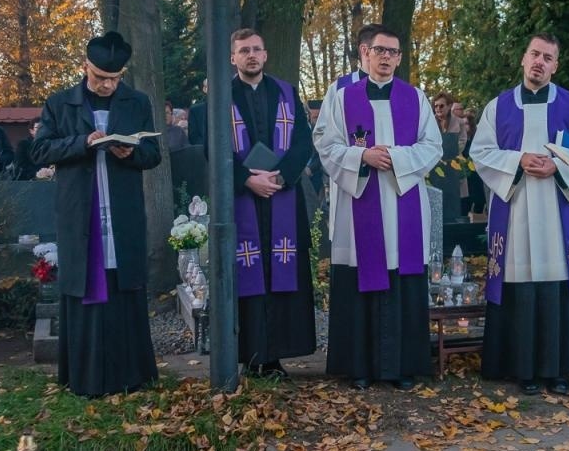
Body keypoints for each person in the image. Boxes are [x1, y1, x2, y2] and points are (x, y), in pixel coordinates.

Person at [29, 31, 162, 397]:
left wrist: (130, 153)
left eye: (114, 78)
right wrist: (82, 143)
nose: (107, 85)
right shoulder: (60, 104)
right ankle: (87, 377)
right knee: (88, 286)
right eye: (100, 77)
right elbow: (40, 151)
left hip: (122, 210)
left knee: (123, 287)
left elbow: (153, 154)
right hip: (81, 212)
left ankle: (131, 375)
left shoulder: (136, 102)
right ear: (85, 67)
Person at [470, 34, 569, 394]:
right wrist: (518, 161)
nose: (539, 62)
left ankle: (558, 370)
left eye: (548, 57)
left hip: (560, 212)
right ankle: (523, 370)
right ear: (523, 59)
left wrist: (559, 168)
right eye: (534, 54)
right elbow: (480, 152)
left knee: (556, 284)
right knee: (521, 284)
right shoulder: (497, 107)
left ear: (555, 66)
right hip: (515, 210)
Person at [315, 24, 441, 389]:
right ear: (365, 53)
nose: (386, 57)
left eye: (393, 52)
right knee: (361, 277)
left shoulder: (415, 98)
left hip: (403, 204)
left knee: (402, 275)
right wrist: (362, 156)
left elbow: (432, 146)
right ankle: (361, 368)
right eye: (380, 50)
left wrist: (396, 159)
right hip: (361, 205)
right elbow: (324, 142)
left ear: (400, 58)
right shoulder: (341, 97)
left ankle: (402, 368)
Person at [227, 28, 317, 378]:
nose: (251, 55)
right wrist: (246, 179)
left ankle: (275, 355)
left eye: (257, 49)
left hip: (282, 201)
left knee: (280, 276)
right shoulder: (221, 97)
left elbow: (302, 144)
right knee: (248, 276)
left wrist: (280, 179)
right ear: (233, 58)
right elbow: (212, 147)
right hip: (240, 202)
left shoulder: (287, 93)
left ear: (265, 55)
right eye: (244, 50)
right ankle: (249, 354)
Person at [429, 92, 467, 223]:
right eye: (436, 106)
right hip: (435, 166)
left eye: (441, 106)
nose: (438, 109)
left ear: (449, 106)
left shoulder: (460, 122)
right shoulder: (430, 122)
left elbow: (462, 140)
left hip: (453, 165)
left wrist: (452, 149)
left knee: (454, 201)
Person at [187, 79, 209, 147]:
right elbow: (193, 138)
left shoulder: (231, 107)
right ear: (204, 89)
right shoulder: (195, 110)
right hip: (204, 152)